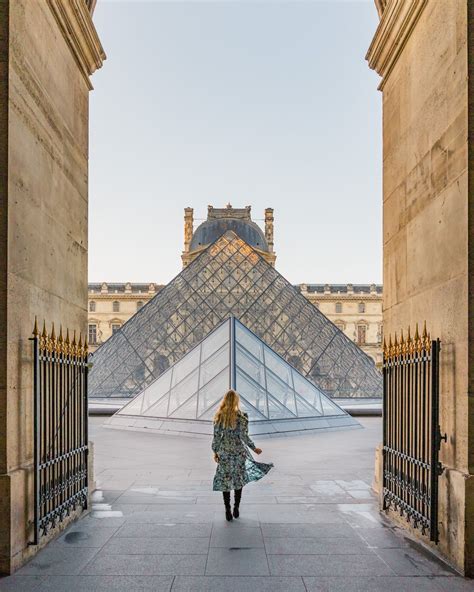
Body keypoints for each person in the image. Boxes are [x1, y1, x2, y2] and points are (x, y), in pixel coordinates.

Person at [212, 389, 273, 521]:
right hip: (239, 453)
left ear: (225, 400)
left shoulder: (219, 416)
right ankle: (236, 507)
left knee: (226, 480)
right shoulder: (242, 416)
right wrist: (254, 448)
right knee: (238, 480)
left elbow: (216, 437)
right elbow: (244, 436)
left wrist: (215, 452)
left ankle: (227, 509)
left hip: (224, 452)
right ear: (236, 401)